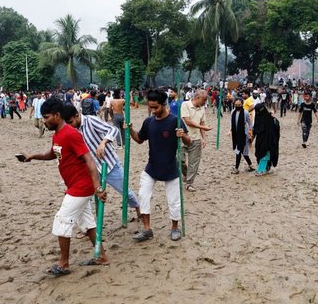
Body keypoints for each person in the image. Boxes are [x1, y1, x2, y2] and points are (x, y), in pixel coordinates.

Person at [22, 98, 109, 276]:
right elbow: (53, 154)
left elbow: (89, 160)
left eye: (46, 117)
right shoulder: (58, 135)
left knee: (62, 220)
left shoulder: (71, 134)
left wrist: (98, 187)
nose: (44, 121)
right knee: (87, 224)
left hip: (81, 186)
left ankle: (64, 263)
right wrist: (33, 156)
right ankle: (101, 256)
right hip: (75, 185)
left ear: (57, 115)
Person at [128, 89, 190, 242]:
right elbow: (140, 139)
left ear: (164, 104)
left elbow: (188, 141)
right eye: (150, 107)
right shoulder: (149, 122)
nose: (153, 110)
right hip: (152, 167)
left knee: (174, 201)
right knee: (143, 196)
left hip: (170, 167)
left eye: (156, 107)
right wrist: (130, 129)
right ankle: (147, 229)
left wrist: (182, 135)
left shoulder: (175, 120)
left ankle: (175, 228)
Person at [62, 105, 140, 221]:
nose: (69, 125)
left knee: (125, 192)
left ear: (77, 116)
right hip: (92, 169)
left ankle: (139, 211)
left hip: (109, 165)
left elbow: (113, 129)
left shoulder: (91, 120)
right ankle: (93, 227)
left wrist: (103, 143)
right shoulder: (73, 129)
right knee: (91, 197)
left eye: (70, 122)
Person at [180, 89, 212, 192]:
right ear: (197, 98)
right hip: (183, 137)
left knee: (194, 162)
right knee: (179, 159)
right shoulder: (185, 105)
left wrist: (204, 138)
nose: (205, 102)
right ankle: (185, 173)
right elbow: (187, 121)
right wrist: (203, 127)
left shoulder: (202, 109)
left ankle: (189, 183)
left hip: (196, 139)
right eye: (204, 100)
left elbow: (202, 123)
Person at [253, 103, 280, 176]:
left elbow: (276, 129)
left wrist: (274, 119)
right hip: (260, 140)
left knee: (265, 155)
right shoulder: (258, 118)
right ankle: (266, 167)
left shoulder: (270, 118)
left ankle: (261, 170)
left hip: (269, 141)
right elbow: (255, 130)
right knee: (259, 154)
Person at [230, 98, 255, 174]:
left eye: (239, 105)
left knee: (241, 152)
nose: (237, 106)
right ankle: (250, 166)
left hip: (244, 135)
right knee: (241, 152)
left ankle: (238, 168)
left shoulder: (246, 112)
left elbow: (250, 123)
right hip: (235, 135)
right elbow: (232, 123)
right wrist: (230, 130)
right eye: (236, 105)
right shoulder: (232, 112)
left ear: (242, 104)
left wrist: (250, 133)